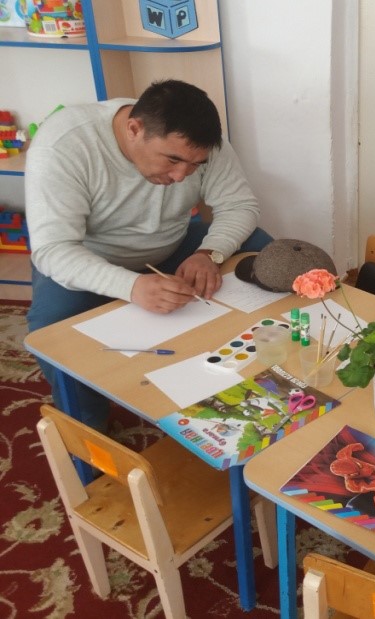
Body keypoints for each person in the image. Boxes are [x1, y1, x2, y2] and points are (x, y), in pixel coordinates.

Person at [25, 79, 272, 430]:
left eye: (195, 165)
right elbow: (53, 250)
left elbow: (239, 205)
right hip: (89, 258)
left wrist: (209, 253)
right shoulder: (64, 144)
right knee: (49, 330)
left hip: (173, 243)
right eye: (173, 160)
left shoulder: (201, 140)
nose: (181, 175)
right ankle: (89, 423)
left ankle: (258, 361)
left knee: (262, 247)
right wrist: (132, 286)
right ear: (134, 129)